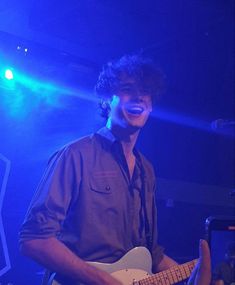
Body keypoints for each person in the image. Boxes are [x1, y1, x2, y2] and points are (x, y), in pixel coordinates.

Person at [19, 54, 211, 285]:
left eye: (146, 91)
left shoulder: (146, 170)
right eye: (128, 89)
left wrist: (192, 274)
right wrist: (102, 280)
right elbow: (34, 240)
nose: (139, 96)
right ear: (106, 100)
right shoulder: (75, 155)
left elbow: (151, 255)